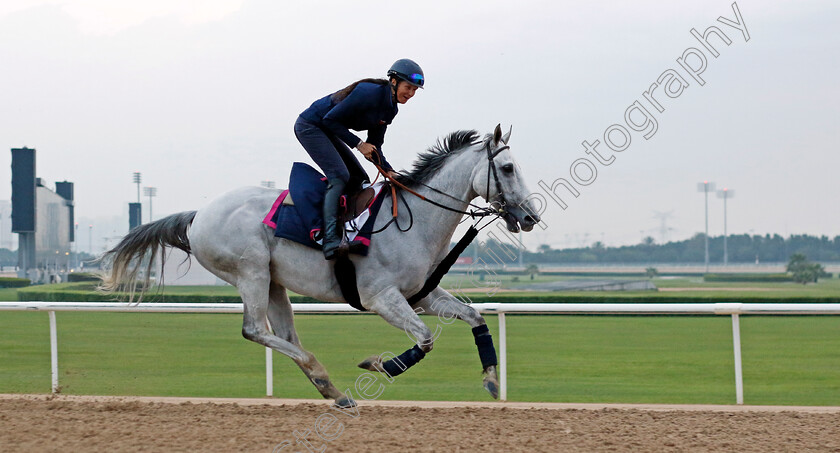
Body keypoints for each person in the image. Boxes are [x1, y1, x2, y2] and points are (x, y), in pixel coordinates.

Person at [294, 58, 424, 260]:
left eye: (415, 90)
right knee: (339, 176)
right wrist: (358, 144)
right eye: (408, 87)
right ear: (393, 81)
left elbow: (374, 145)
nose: (411, 93)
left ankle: (345, 228)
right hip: (310, 126)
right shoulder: (368, 92)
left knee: (358, 178)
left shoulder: (390, 109)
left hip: (328, 129)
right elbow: (329, 120)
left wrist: (388, 170)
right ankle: (329, 240)